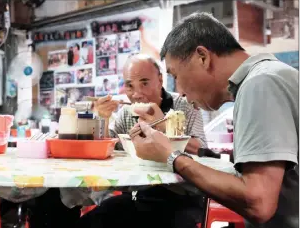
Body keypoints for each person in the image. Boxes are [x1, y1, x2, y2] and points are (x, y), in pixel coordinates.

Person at [130, 12, 298, 228]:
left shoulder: (260, 84)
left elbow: (259, 203)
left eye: (175, 76)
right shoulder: (272, 75)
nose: (178, 91)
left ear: (202, 57)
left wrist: (171, 157)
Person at [77, 54, 207, 228]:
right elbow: (109, 147)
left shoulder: (185, 105)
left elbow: (202, 150)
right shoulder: (126, 113)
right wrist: (104, 117)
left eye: (144, 83)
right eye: (130, 86)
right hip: (138, 196)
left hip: (182, 197)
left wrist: (164, 125)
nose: (137, 94)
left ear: (160, 80)